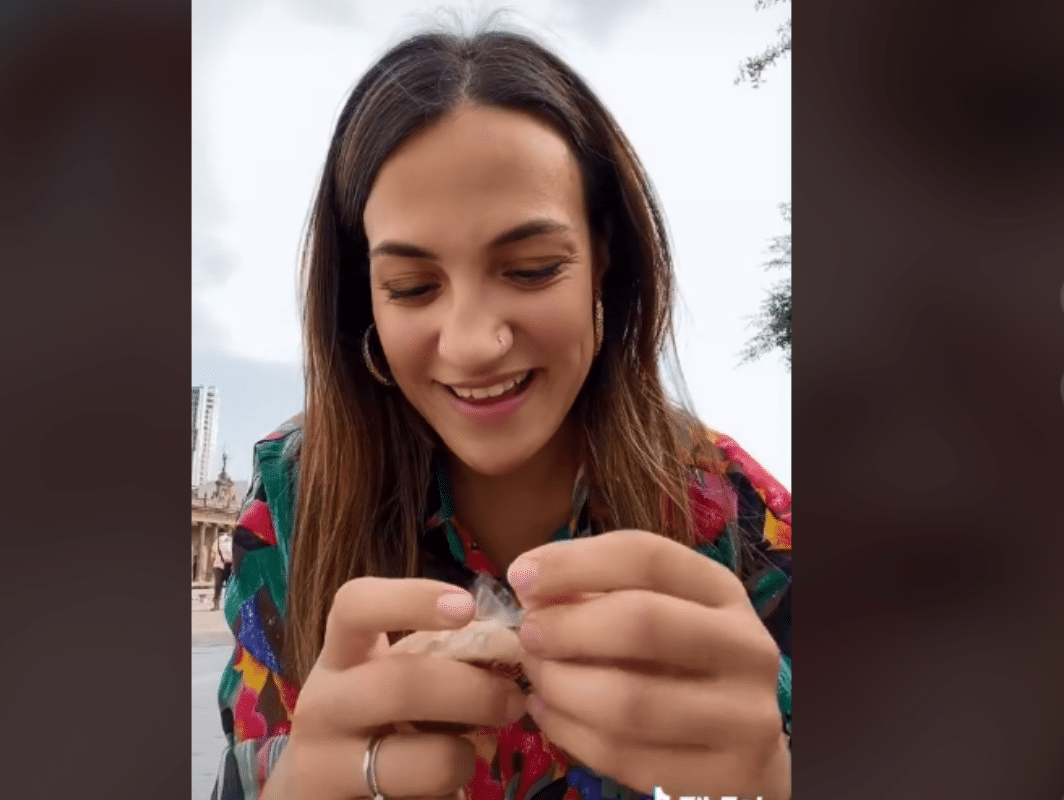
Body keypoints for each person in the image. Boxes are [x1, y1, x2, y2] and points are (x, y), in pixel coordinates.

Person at [211, 21, 792, 800]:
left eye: (530, 269)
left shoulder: (738, 512)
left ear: (604, 258)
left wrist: (779, 773)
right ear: (364, 304)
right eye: (413, 287)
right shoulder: (290, 506)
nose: (476, 342)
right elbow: (242, 767)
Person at [211, 530, 233, 611]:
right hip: (229, 565)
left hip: (218, 565)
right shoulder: (233, 542)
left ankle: (216, 605)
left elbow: (212, 554)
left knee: (217, 586)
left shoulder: (217, 541)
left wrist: (213, 565)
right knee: (229, 586)